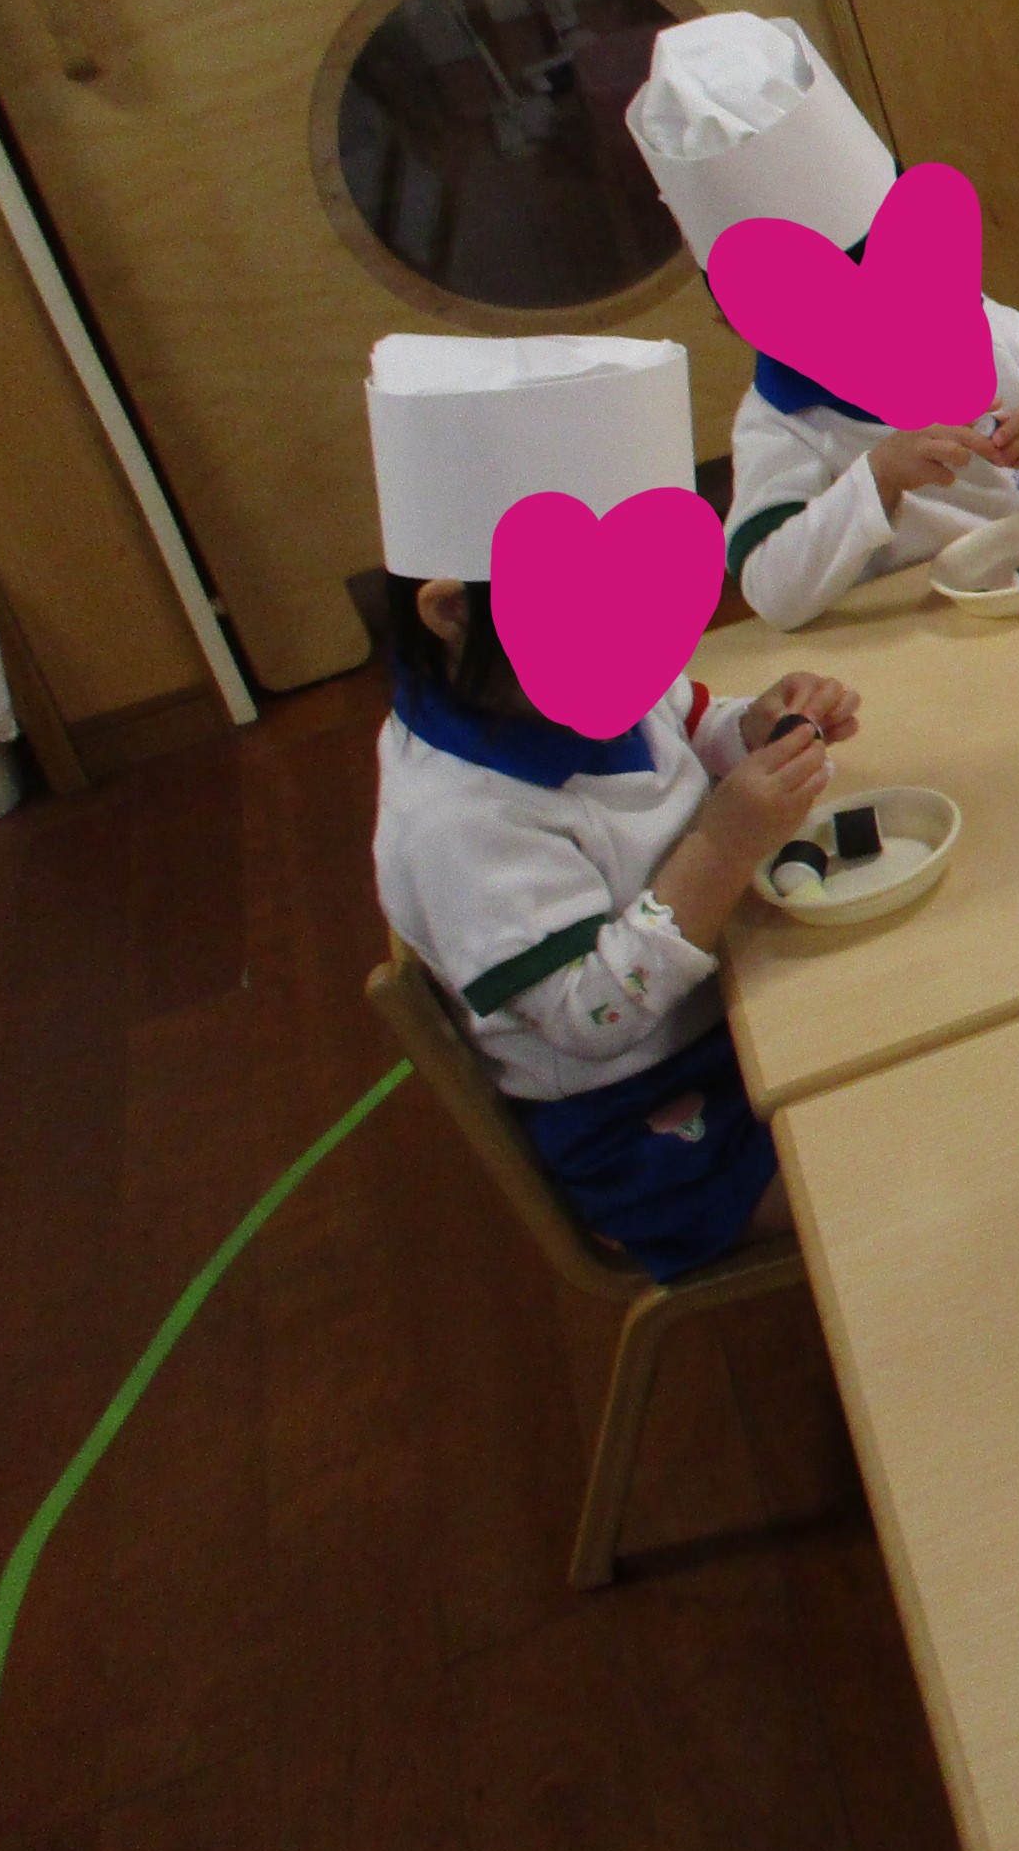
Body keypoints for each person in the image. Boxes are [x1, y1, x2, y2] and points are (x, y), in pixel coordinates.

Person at [366, 334, 864, 1277]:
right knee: (888, 1163)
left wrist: (756, 729)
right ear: (452, 613)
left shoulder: (580, 662)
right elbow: (590, 1016)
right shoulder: (459, 822)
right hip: (653, 1120)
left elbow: (688, 728)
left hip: (729, 999)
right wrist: (723, 846)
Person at [625, 13, 1019, 630]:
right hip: (929, 635)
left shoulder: (985, 325)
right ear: (738, 320)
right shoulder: (783, 422)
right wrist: (876, 479)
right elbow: (769, 590)